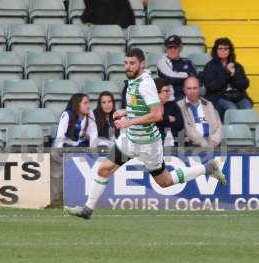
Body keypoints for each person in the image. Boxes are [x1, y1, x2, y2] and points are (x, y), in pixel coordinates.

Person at [65, 48, 226, 220]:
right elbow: (142, 107)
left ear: (142, 64)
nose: (128, 67)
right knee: (104, 169)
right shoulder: (134, 81)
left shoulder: (145, 83)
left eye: (132, 63)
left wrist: (128, 122)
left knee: (164, 182)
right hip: (130, 139)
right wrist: (126, 112)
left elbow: (157, 114)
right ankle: (87, 210)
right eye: (126, 63)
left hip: (148, 143)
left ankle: (209, 168)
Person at [202, 37, 253, 120]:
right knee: (232, 109)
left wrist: (234, 75)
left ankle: (247, 131)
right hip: (219, 97)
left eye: (226, 48)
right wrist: (226, 73)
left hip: (237, 96)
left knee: (248, 108)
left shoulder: (237, 66)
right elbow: (212, 87)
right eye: (220, 48)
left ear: (230, 51)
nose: (223, 51)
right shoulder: (210, 66)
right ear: (216, 50)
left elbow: (244, 85)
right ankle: (233, 131)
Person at [177, 76, 222, 149]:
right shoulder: (179, 106)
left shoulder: (208, 104)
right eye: (189, 88)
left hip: (213, 145)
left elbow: (218, 126)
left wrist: (214, 141)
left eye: (195, 88)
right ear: (184, 90)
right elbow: (188, 130)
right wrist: (203, 143)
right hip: (193, 145)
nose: (192, 91)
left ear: (199, 89)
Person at [157, 35, 198, 101]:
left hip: (189, 96)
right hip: (171, 100)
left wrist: (177, 75)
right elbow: (171, 78)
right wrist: (188, 74)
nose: (172, 50)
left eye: (175, 47)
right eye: (170, 47)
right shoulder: (163, 62)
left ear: (180, 48)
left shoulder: (187, 62)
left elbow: (196, 79)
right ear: (166, 49)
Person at [154, 78, 184, 146]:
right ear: (157, 92)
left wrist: (161, 121)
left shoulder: (172, 105)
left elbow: (180, 125)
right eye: (166, 91)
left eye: (169, 91)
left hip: (173, 144)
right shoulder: (148, 106)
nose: (169, 93)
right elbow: (150, 123)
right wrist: (167, 118)